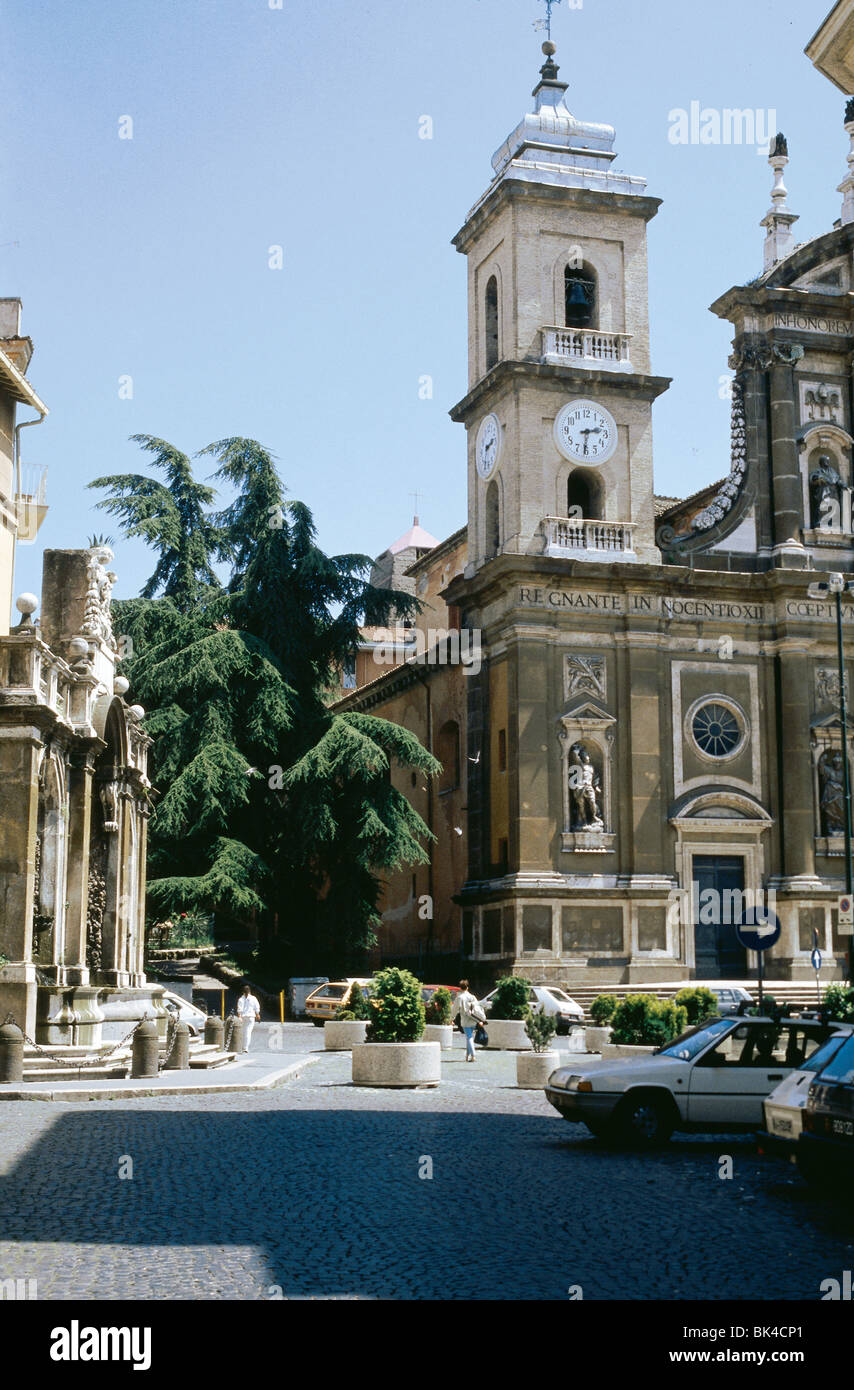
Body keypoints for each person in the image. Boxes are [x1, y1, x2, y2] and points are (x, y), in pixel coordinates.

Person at [451, 979, 486, 1063]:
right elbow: (477, 1009)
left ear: (460, 988)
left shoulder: (459, 998)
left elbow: (454, 1009)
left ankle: (473, 1055)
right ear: (467, 987)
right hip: (473, 1020)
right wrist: (480, 1020)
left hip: (465, 1021)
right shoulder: (472, 996)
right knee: (469, 1037)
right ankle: (467, 1056)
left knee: (469, 1037)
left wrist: (452, 1019)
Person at [237, 984, 261, 1052]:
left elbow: (239, 1009)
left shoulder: (241, 999)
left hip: (243, 1017)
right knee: (248, 1032)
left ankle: (242, 1046)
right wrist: (258, 1015)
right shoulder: (253, 998)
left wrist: (239, 1017)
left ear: (243, 992)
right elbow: (256, 1008)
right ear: (250, 991)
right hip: (251, 1017)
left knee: (243, 1032)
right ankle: (245, 1047)